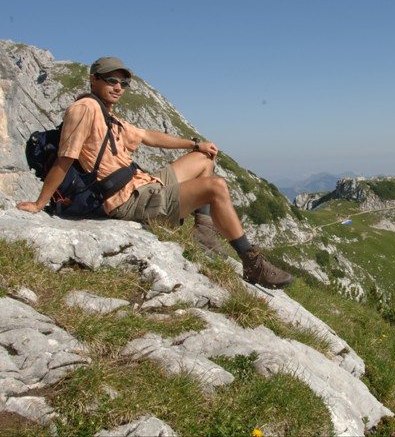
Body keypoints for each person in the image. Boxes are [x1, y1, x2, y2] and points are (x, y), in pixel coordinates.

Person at [17, 57, 292, 289]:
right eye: (110, 80)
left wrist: (195, 144)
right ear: (93, 79)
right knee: (216, 187)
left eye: (123, 83)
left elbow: (148, 135)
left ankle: (204, 234)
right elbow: (65, 159)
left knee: (204, 159)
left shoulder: (108, 115)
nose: (118, 87)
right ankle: (252, 263)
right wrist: (40, 203)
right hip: (125, 199)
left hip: (144, 185)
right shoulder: (85, 108)